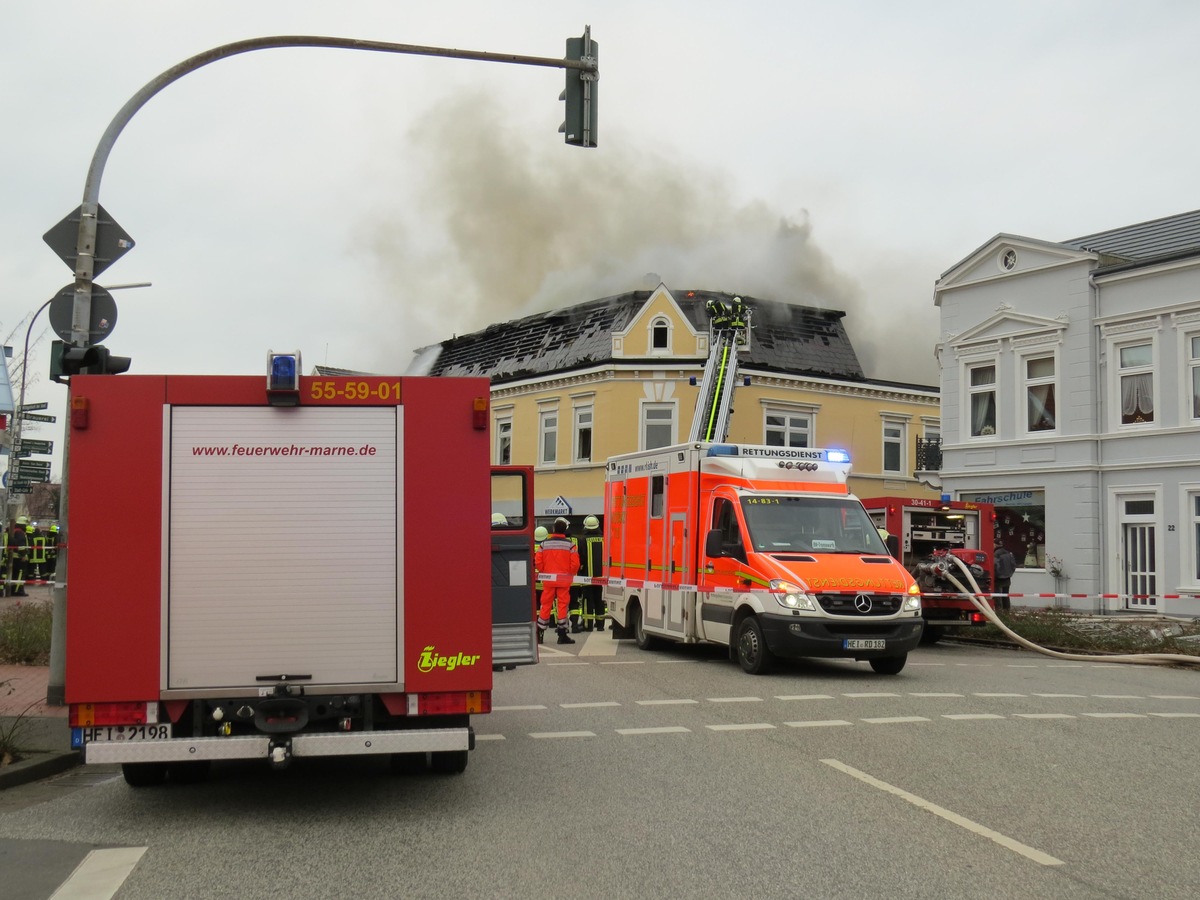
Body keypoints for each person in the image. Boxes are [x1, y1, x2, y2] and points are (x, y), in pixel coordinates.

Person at [536, 517, 579, 645]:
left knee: (546, 605)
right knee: (562, 605)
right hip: (564, 579)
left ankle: (540, 633)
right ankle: (562, 634)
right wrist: (569, 574)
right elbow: (575, 564)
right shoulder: (570, 545)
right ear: (565, 530)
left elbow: (538, 561)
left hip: (548, 579)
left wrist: (545, 572)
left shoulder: (544, 544)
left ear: (553, 529)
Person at [578, 515, 605, 632]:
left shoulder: (582, 540)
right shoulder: (604, 538)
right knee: (599, 600)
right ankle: (600, 625)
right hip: (602, 577)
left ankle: (587, 625)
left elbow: (581, 558)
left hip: (587, 576)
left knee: (588, 600)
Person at [7, 517, 29, 597]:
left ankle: (13, 589)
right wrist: (23, 555)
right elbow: (21, 545)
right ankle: (19, 591)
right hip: (19, 558)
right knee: (20, 574)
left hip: (14, 557)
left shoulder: (14, 531)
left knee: (15, 574)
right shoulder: (20, 533)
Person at [993, 539, 1017, 611]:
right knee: (1006, 596)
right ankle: (1007, 611)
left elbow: (995, 566)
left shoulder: (996, 554)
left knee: (998, 597)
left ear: (995, 545)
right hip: (1007, 578)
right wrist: (1009, 574)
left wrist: (996, 575)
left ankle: (999, 613)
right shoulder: (1008, 553)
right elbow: (1013, 565)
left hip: (998, 579)